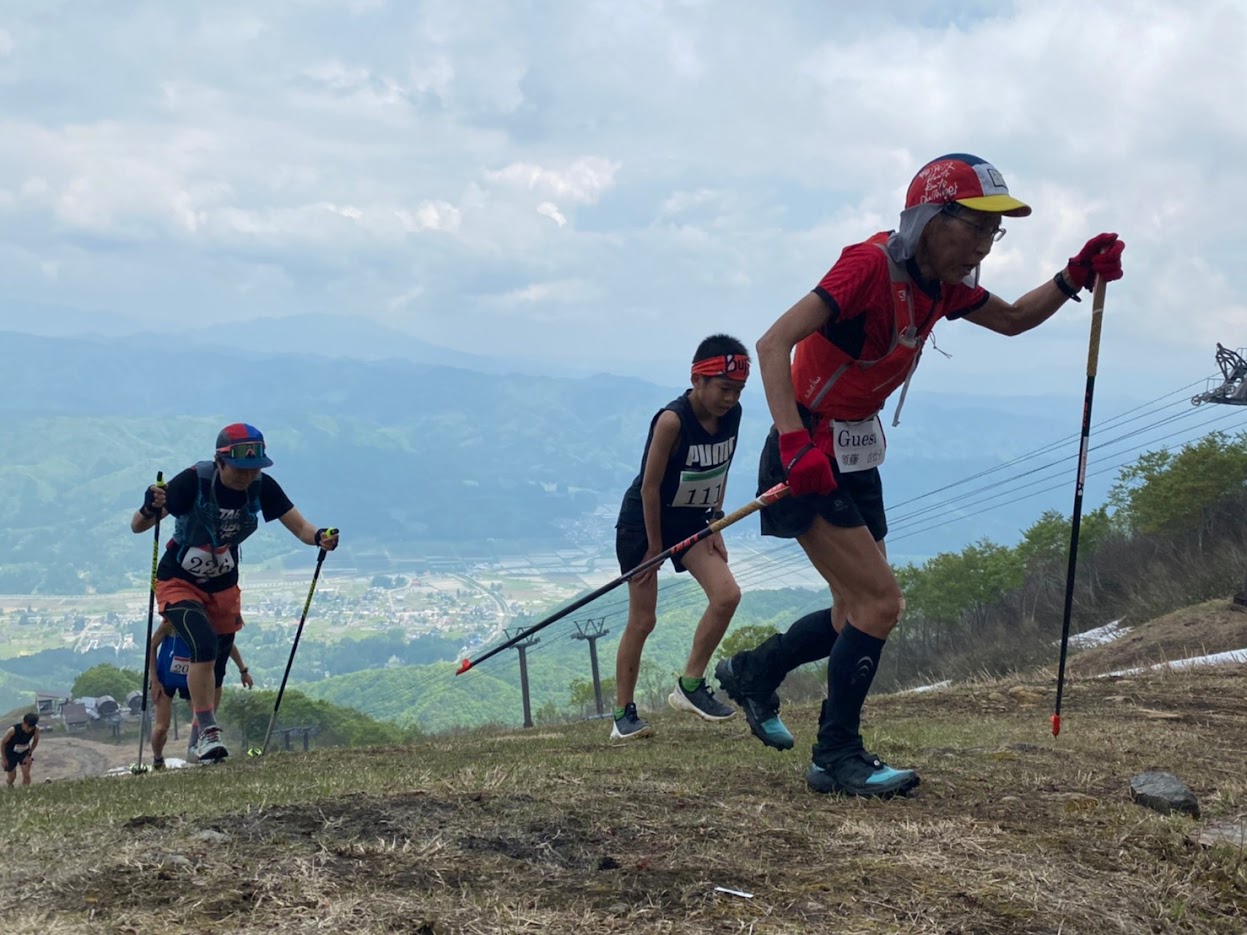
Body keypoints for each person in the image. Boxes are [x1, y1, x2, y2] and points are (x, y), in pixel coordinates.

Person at [714, 153, 1125, 797]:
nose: (986, 244)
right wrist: (795, 443)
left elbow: (1015, 319)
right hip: (809, 451)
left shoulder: (941, 286)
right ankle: (835, 756)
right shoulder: (869, 265)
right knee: (881, 604)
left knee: (856, 608)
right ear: (933, 218)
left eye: (996, 231)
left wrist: (1073, 276)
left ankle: (752, 672)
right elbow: (773, 343)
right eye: (977, 226)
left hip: (853, 452)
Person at [131, 423, 338, 763]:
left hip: (224, 584)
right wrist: (148, 508)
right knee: (203, 643)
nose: (248, 476)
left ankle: (201, 738)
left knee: (219, 666)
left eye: (255, 469)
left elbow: (301, 527)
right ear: (220, 462)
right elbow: (138, 526)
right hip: (178, 579)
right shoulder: (193, 482)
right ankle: (210, 729)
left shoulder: (262, 487)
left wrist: (321, 538)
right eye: (241, 469)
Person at [611, 335, 750, 740]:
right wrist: (653, 549)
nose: (730, 398)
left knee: (727, 595)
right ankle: (623, 715)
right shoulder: (671, 420)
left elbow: (721, 465)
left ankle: (690, 685)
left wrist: (716, 522)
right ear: (697, 380)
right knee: (643, 619)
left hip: (693, 521)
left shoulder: (733, 414)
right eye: (724, 388)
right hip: (644, 523)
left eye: (738, 390)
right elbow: (649, 487)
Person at [147, 618, 254, 769]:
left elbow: (228, 646)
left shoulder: (204, 623)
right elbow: (152, 646)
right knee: (162, 727)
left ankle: (199, 753)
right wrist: (154, 680)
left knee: (202, 720)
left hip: (191, 679)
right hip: (166, 678)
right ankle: (158, 759)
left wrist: (243, 670)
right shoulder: (170, 623)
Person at [3, 713, 40, 788]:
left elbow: (35, 741)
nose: (29, 729)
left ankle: (25, 791)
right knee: (12, 777)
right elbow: (2, 743)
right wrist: (4, 759)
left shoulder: (36, 729)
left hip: (24, 752)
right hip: (10, 753)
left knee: (26, 775)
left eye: (31, 727)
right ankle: (9, 785)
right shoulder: (12, 730)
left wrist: (29, 754)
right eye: (28, 727)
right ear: (24, 723)